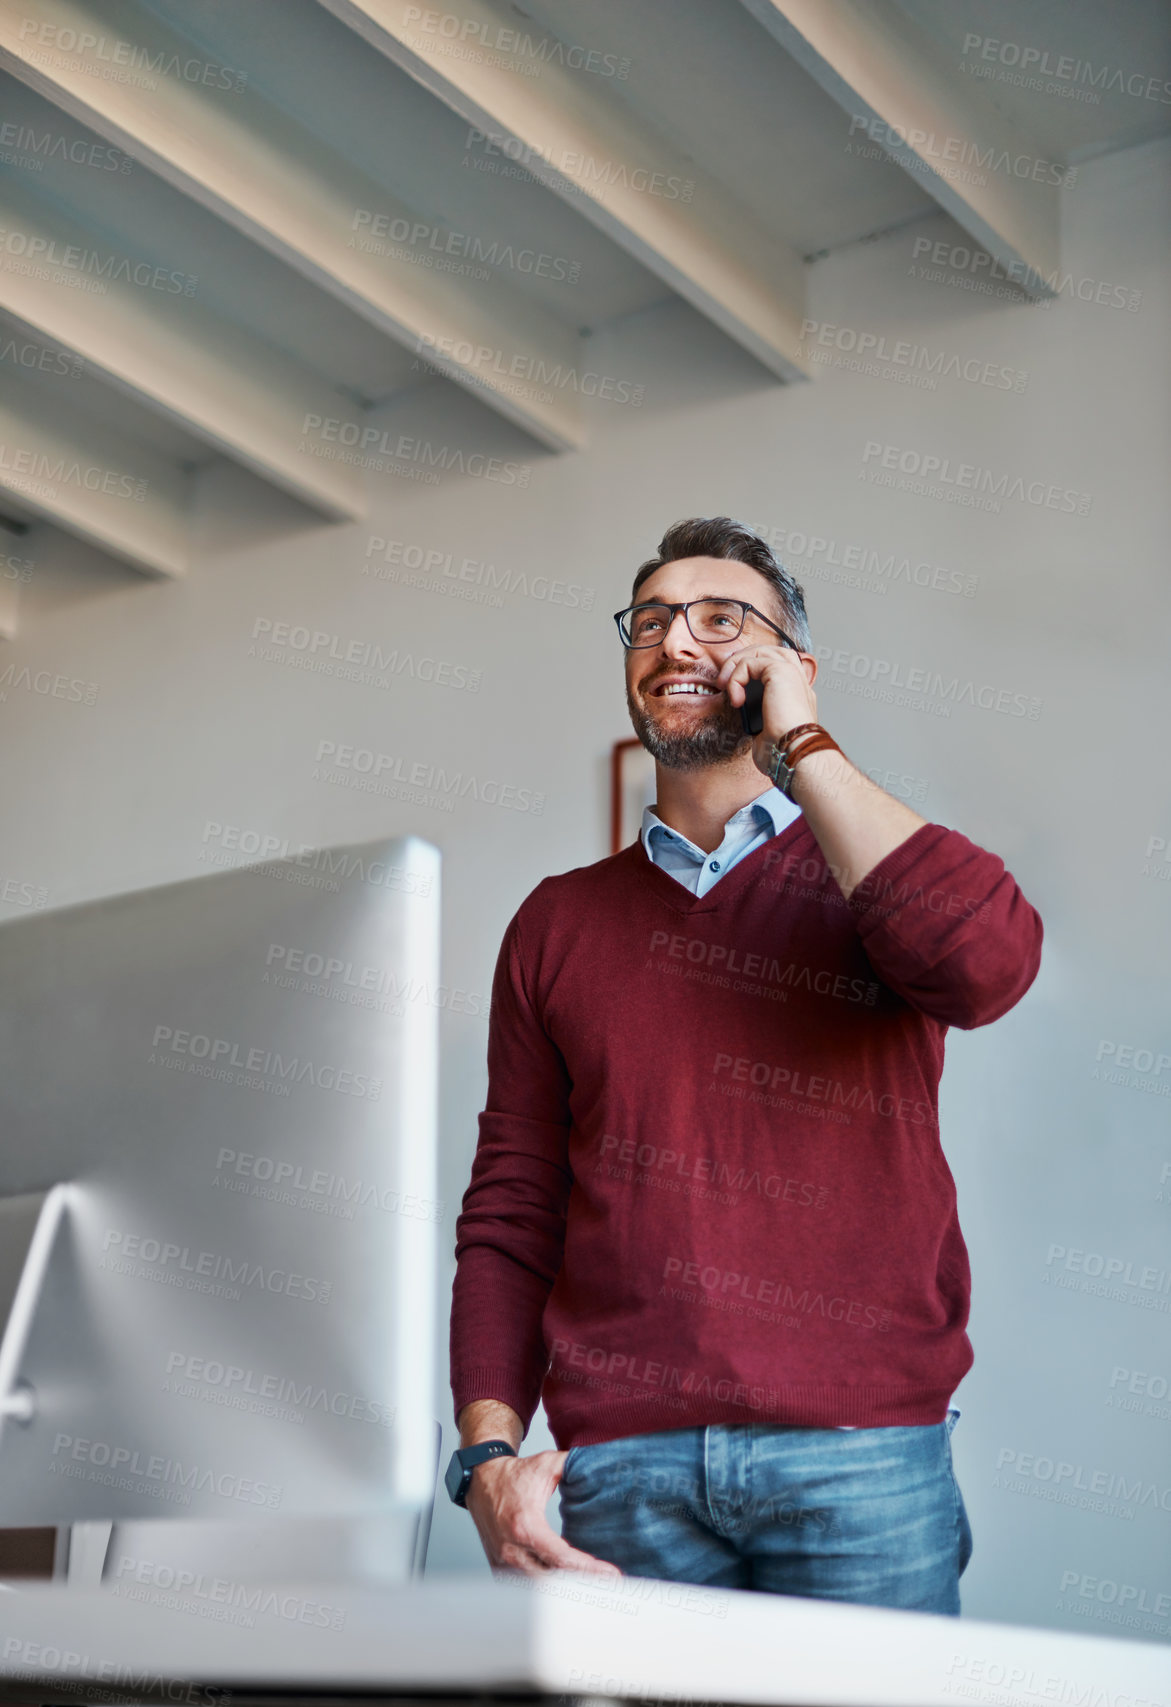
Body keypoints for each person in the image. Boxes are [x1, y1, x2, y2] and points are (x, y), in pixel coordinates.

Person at [446, 515, 1043, 1613]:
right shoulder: (555, 922)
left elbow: (987, 969)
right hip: (622, 1471)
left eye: (721, 620)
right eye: (651, 622)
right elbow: (511, 1208)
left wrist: (804, 745)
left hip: (860, 1453)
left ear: (791, 667)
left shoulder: (871, 873)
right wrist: (485, 1458)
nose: (677, 643)